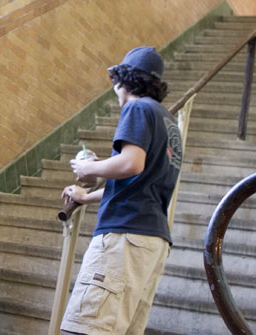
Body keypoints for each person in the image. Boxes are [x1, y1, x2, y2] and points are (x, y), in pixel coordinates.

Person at [59, 46, 181, 335]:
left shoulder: (137, 108)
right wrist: (86, 197)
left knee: (85, 329)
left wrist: (87, 169)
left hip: (125, 237)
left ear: (123, 81)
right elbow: (139, 183)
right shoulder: (169, 123)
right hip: (152, 242)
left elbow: (132, 164)